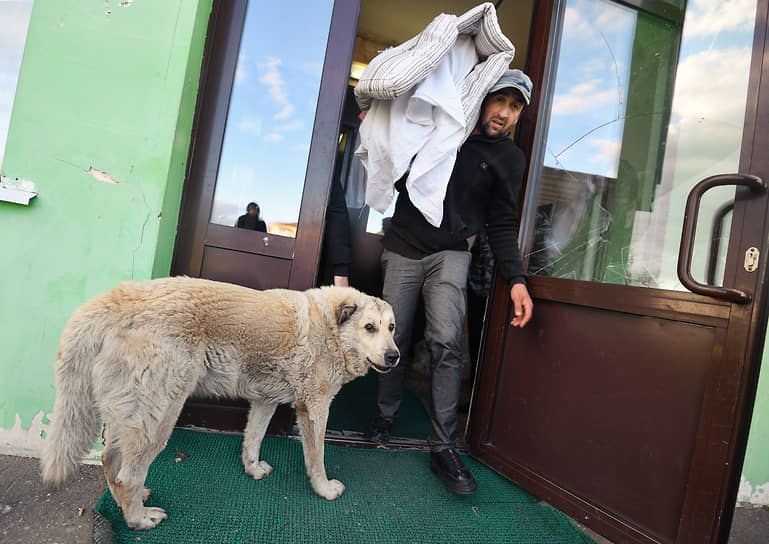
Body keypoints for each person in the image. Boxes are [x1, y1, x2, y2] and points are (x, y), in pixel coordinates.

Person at [364, 69, 534, 495]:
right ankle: (385, 415)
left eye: (514, 108)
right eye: (501, 102)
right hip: (404, 244)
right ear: (484, 98)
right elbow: (396, 161)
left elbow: (503, 222)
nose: (505, 114)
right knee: (392, 336)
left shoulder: (509, 159)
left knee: (446, 341)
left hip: (453, 252)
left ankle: (443, 446)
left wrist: (516, 279)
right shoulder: (444, 128)